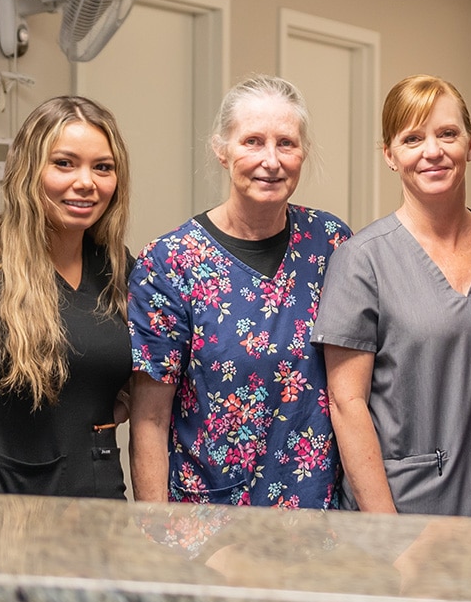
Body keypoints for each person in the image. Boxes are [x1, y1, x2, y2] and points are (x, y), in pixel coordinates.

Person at [129, 75, 351, 508]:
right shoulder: (170, 262)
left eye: (286, 143)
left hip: (319, 521)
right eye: (252, 141)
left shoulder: (332, 243)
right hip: (211, 528)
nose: (271, 160)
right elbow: (149, 419)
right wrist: (154, 536)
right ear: (221, 150)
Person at [311, 75, 471, 515]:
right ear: (390, 155)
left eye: (447, 134)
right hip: (405, 508)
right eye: (412, 138)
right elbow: (347, 404)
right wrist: (388, 532)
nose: (432, 152)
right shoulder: (362, 260)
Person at [0, 97, 131, 498]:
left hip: (98, 500)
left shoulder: (118, 268)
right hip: (0, 501)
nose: (86, 182)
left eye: (102, 167)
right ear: (29, 169)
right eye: (64, 163)